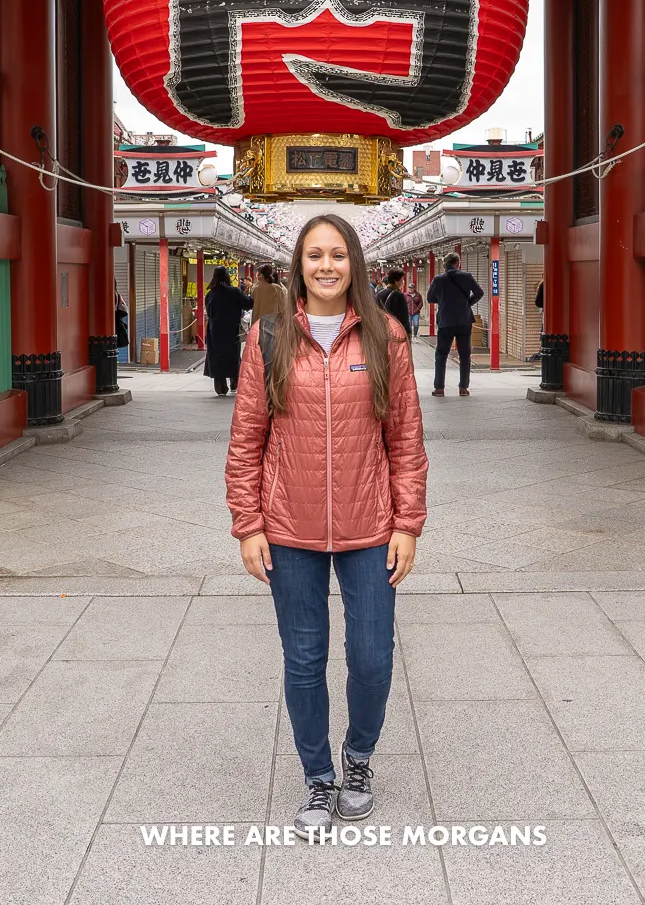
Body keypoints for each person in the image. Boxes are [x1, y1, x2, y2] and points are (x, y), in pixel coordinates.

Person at [225, 214, 427, 839]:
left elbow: (406, 438)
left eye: (338, 254)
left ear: (355, 263)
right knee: (304, 659)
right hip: (289, 527)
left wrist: (409, 522)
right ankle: (317, 774)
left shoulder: (386, 336)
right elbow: (246, 440)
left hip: (372, 527)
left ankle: (358, 759)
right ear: (299, 266)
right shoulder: (269, 338)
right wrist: (248, 524)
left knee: (372, 659)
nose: (326, 266)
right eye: (315, 255)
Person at [426, 253, 483, 397]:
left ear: (445, 264)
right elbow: (479, 292)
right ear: (458, 263)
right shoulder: (466, 276)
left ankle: (439, 388)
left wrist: (443, 300)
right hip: (464, 320)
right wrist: (467, 303)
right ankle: (463, 388)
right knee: (465, 355)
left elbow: (430, 298)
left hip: (445, 320)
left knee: (441, 354)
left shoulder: (438, 279)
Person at [204, 268, 252, 396]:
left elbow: (208, 313)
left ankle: (220, 387)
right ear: (227, 277)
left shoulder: (210, 294)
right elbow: (248, 304)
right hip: (231, 330)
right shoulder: (235, 291)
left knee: (217, 356)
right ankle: (234, 382)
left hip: (214, 331)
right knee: (232, 356)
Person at [376, 269, 413, 338]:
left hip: (380, 329)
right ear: (396, 282)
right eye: (402, 280)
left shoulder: (379, 293)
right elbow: (404, 317)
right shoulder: (399, 295)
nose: (403, 282)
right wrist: (408, 332)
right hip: (395, 331)